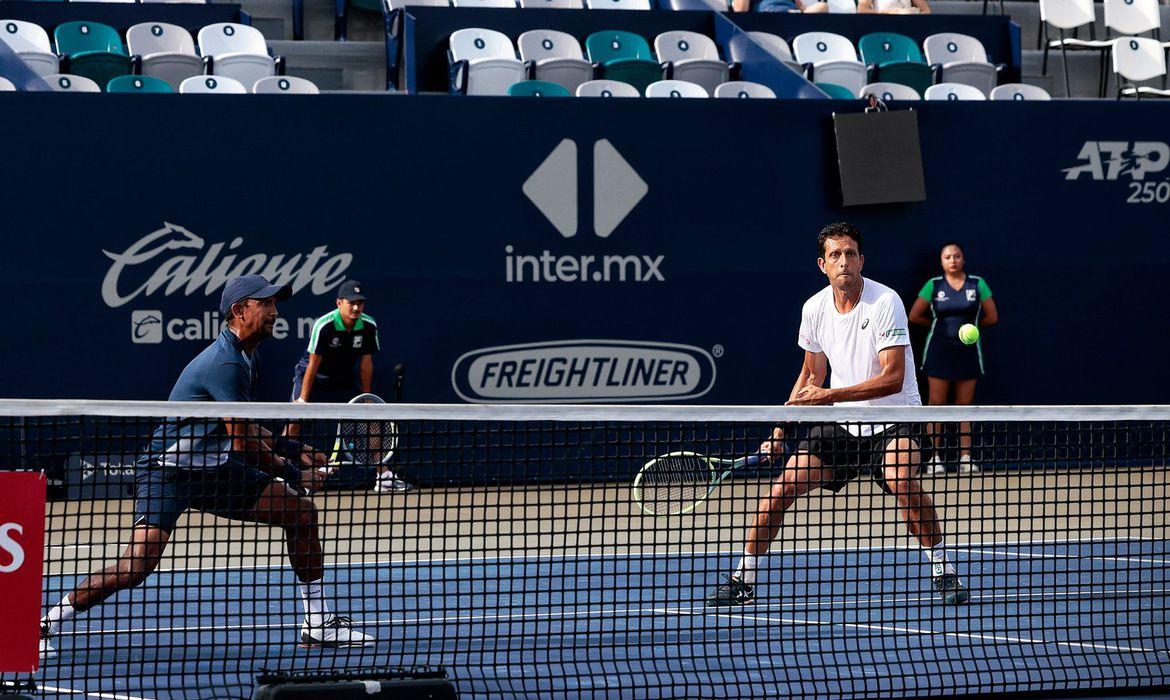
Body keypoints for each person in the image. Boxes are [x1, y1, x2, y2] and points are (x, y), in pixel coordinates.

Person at [40, 275, 373, 659]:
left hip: (213, 470)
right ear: (239, 310)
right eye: (265, 304)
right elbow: (244, 443)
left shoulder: (248, 355)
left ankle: (318, 624)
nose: (274, 311)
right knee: (137, 566)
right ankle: (46, 621)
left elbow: (243, 425)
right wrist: (294, 471)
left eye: (274, 304)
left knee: (300, 514)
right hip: (168, 473)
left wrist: (290, 446)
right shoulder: (227, 363)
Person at [706, 222, 969, 607]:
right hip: (843, 426)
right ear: (822, 265)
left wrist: (828, 396)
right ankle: (743, 579)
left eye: (849, 253)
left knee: (902, 482)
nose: (843, 261)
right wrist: (781, 429)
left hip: (896, 421)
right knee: (779, 491)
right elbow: (810, 375)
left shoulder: (885, 302)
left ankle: (943, 570)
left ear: (862, 260)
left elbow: (893, 378)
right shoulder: (813, 309)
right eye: (835, 255)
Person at [287, 279, 410, 493]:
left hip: (343, 379)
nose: (355, 307)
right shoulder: (324, 325)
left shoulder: (368, 325)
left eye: (359, 303)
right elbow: (313, 364)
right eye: (350, 302)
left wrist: (366, 397)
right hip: (313, 377)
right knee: (293, 423)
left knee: (372, 422)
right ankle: (284, 475)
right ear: (339, 303)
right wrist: (303, 401)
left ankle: (384, 477)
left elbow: (365, 363)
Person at [908, 242, 998, 474]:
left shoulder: (977, 284)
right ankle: (933, 459)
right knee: (935, 406)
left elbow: (992, 316)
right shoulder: (934, 285)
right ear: (942, 262)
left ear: (963, 259)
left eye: (957, 256)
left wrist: (973, 329)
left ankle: (966, 458)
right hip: (939, 352)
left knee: (965, 406)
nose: (953, 260)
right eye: (948, 257)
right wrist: (937, 329)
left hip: (968, 354)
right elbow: (915, 315)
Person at [858, 0, 930, 12]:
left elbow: (926, 10)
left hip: (909, 24)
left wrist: (915, 13)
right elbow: (862, 10)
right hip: (882, 24)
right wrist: (889, 13)